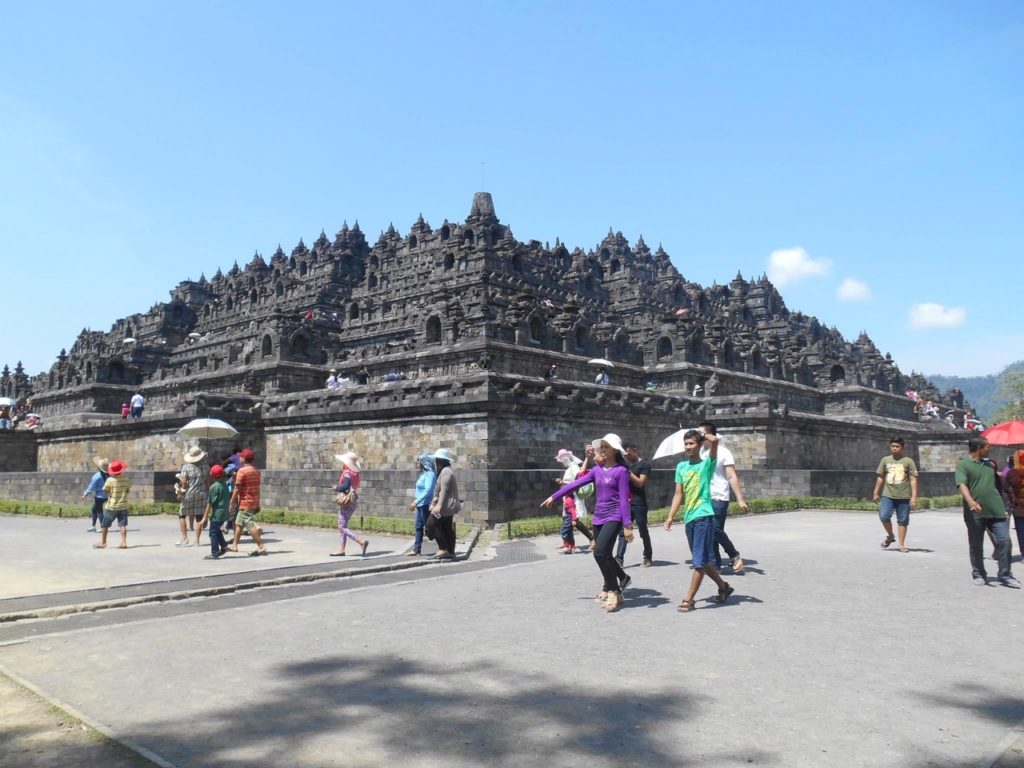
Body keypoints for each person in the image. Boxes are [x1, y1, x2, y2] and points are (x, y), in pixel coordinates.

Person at [542, 434, 633, 612]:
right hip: (598, 517)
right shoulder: (596, 470)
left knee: (600, 552)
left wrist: (628, 525)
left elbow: (624, 499)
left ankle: (615, 591)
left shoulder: (621, 471)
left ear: (614, 450)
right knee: (603, 553)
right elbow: (575, 484)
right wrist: (554, 496)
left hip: (614, 517)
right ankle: (620, 579)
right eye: (602, 447)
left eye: (606, 447)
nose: (602, 450)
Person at [663, 430, 734, 612]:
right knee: (701, 559)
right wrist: (671, 516)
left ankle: (689, 599)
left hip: (704, 515)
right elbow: (679, 494)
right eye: (686, 444)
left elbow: (715, 442)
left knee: (699, 562)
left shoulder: (706, 465)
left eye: (691, 443)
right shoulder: (681, 467)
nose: (687, 447)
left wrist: (705, 435)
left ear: (700, 445)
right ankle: (723, 586)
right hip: (689, 517)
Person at [956, 436, 1018, 588]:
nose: (990, 449)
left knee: (1005, 541)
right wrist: (971, 502)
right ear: (979, 448)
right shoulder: (964, 465)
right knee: (976, 544)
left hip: (996, 511)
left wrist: (1003, 506)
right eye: (987, 446)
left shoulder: (990, 465)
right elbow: (962, 485)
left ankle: (1005, 574)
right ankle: (978, 573)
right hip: (975, 512)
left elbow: (998, 487)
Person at [698, 422, 750, 572]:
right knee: (710, 532)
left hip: (720, 496)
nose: (699, 436)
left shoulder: (723, 452)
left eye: (701, 433)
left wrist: (740, 499)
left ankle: (734, 555)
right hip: (704, 497)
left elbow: (731, 476)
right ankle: (715, 565)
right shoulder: (700, 452)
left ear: (710, 435)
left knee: (714, 528)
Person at [871, 436, 918, 553]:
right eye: (892, 446)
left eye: (897, 446)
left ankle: (901, 545)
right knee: (884, 516)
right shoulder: (885, 460)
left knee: (902, 520)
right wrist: (876, 492)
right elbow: (880, 477)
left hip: (904, 496)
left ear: (902, 448)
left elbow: (913, 480)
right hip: (888, 495)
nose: (894, 448)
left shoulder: (908, 461)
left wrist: (914, 497)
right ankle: (891, 535)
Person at [615, 441, 653, 568]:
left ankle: (648, 556)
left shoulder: (644, 463)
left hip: (639, 503)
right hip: (627, 503)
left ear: (635, 450)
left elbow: (641, 483)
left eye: (628, 453)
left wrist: (628, 473)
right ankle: (619, 558)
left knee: (643, 530)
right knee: (623, 530)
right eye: (624, 454)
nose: (626, 456)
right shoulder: (628, 466)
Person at [228, 448, 267, 556]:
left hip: (245, 501)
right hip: (253, 501)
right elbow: (257, 488)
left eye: (240, 456)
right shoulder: (255, 471)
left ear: (244, 459)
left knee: (249, 525)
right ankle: (234, 545)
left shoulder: (242, 471)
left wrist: (231, 503)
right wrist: (257, 503)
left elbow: (237, 489)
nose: (239, 458)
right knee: (239, 523)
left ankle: (261, 546)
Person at [330, 451, 369, 557]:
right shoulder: (355, 474)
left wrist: (336, 488)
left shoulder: (347, 472)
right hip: (353, 501)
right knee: (344, 525)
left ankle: (361, 542)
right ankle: (341, 550)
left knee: (341, 527)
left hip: (346, 501)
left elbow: (345, 486)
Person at [429, 448, 460, 560]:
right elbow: (439, 490)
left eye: (436, 461)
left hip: (445, 506)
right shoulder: (446, 470)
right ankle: (450, 552)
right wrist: (434, 501)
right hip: (447, 506)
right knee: (447, 527)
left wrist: (439, 506)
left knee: (431, 524)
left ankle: (443, 549)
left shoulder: (446, 471)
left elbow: (445, 490)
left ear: (440, 461)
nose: (435, 463)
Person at [176, 446, 209, 547]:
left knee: (182, 515)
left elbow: (184, 483)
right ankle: (197, 541)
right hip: (202, 493)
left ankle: (185, 538)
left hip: (189, 493)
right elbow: (208, 481)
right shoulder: (206, 466)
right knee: (199, 516)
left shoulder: (186, 467)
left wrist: (180, 483)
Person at [554, 449, 585, 553]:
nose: (562, 463)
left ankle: (570, 545)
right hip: (567, 497)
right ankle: (570, 545)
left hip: (571, 497)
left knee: (569, 522)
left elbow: (577, 481)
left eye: (562, 460)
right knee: (567, 523)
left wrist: (564, 483)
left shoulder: (574, 467)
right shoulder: (569, 469)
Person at [94, 460, 130, 549]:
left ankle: (103, 542)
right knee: (122, 525)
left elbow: (105, 490)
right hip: (123, 506)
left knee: (104, 525)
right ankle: (124, 542)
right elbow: (127, 491)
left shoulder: (110, 480)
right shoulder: (126, 480)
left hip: (111, 506)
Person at [406, 453, 436, 556]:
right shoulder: (424, 474)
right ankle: (416, 550)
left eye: (419, 461)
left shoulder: (430, 474)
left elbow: (428, 490)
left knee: (430, 528)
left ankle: (444, 545)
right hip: (420, 504)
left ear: (425, 462)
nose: (418, 463)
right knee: (418, 527)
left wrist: (415, 502)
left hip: (424, 504)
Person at [197, 464, 230, 559]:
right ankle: (223, 546)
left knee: (213, 534)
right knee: (217, 530)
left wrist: (204, 517)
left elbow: (210, 503)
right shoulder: (224, 484)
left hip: (217, 514)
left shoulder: (214, 487)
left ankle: (214, 553)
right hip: (224, 512)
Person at [82, 456, 109, 533]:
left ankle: (102, 527)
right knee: (94, 509)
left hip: (99, 496)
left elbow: (91, 487)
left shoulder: (96, 476)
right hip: (106, 495)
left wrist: (85, 494)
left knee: (99, 511)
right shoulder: (108, 475)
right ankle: (93, 526)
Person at [1005, 451, 1024, 559]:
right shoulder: (1012, 473)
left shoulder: (1012, 473)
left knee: (1021, 531)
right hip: (1019, 506)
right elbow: (1007, 490)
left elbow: (1007, 489)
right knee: (1021, 531)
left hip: (1018, 506)